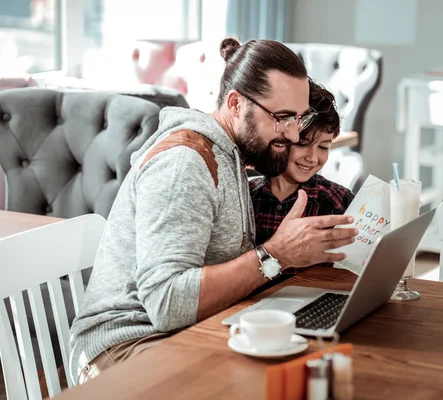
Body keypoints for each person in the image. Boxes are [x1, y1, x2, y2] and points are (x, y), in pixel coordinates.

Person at [68, 37, 358, 385]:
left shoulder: (233, 156)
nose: (294, 132)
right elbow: (167, 303)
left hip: (190, 331)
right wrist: (276, 254)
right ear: (235, 104)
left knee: (315, 371)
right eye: (282, 118)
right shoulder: (185, 163)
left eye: (300, 117)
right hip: (126, 346)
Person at [250, 79, 355, 252]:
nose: (313, 158)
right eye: (302, 143)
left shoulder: (339, 201)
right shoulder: (247, 197)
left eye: (323, 147)